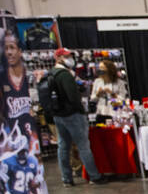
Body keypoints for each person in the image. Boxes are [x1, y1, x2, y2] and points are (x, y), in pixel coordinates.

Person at [48, 48, 105, 186]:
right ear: (59, 58)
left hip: (58, 115)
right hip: (72, 115)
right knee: (83, 146)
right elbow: (73, 97)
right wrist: (80, 108)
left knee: (63, 147)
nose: (70, 58)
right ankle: (94, 176)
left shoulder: (51, 74)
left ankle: (66, 179)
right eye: (67, 56)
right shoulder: (64, 75)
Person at [90, 59, 126, 124]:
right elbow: (92, 99)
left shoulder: (120, 82)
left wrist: (113, 94)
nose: (100, 70)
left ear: (109, 69)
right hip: (100, 112)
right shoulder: (97, 81)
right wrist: (98, 94)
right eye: (99, 68)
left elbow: (123, 101)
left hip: (115, 113)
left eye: (102, 68)